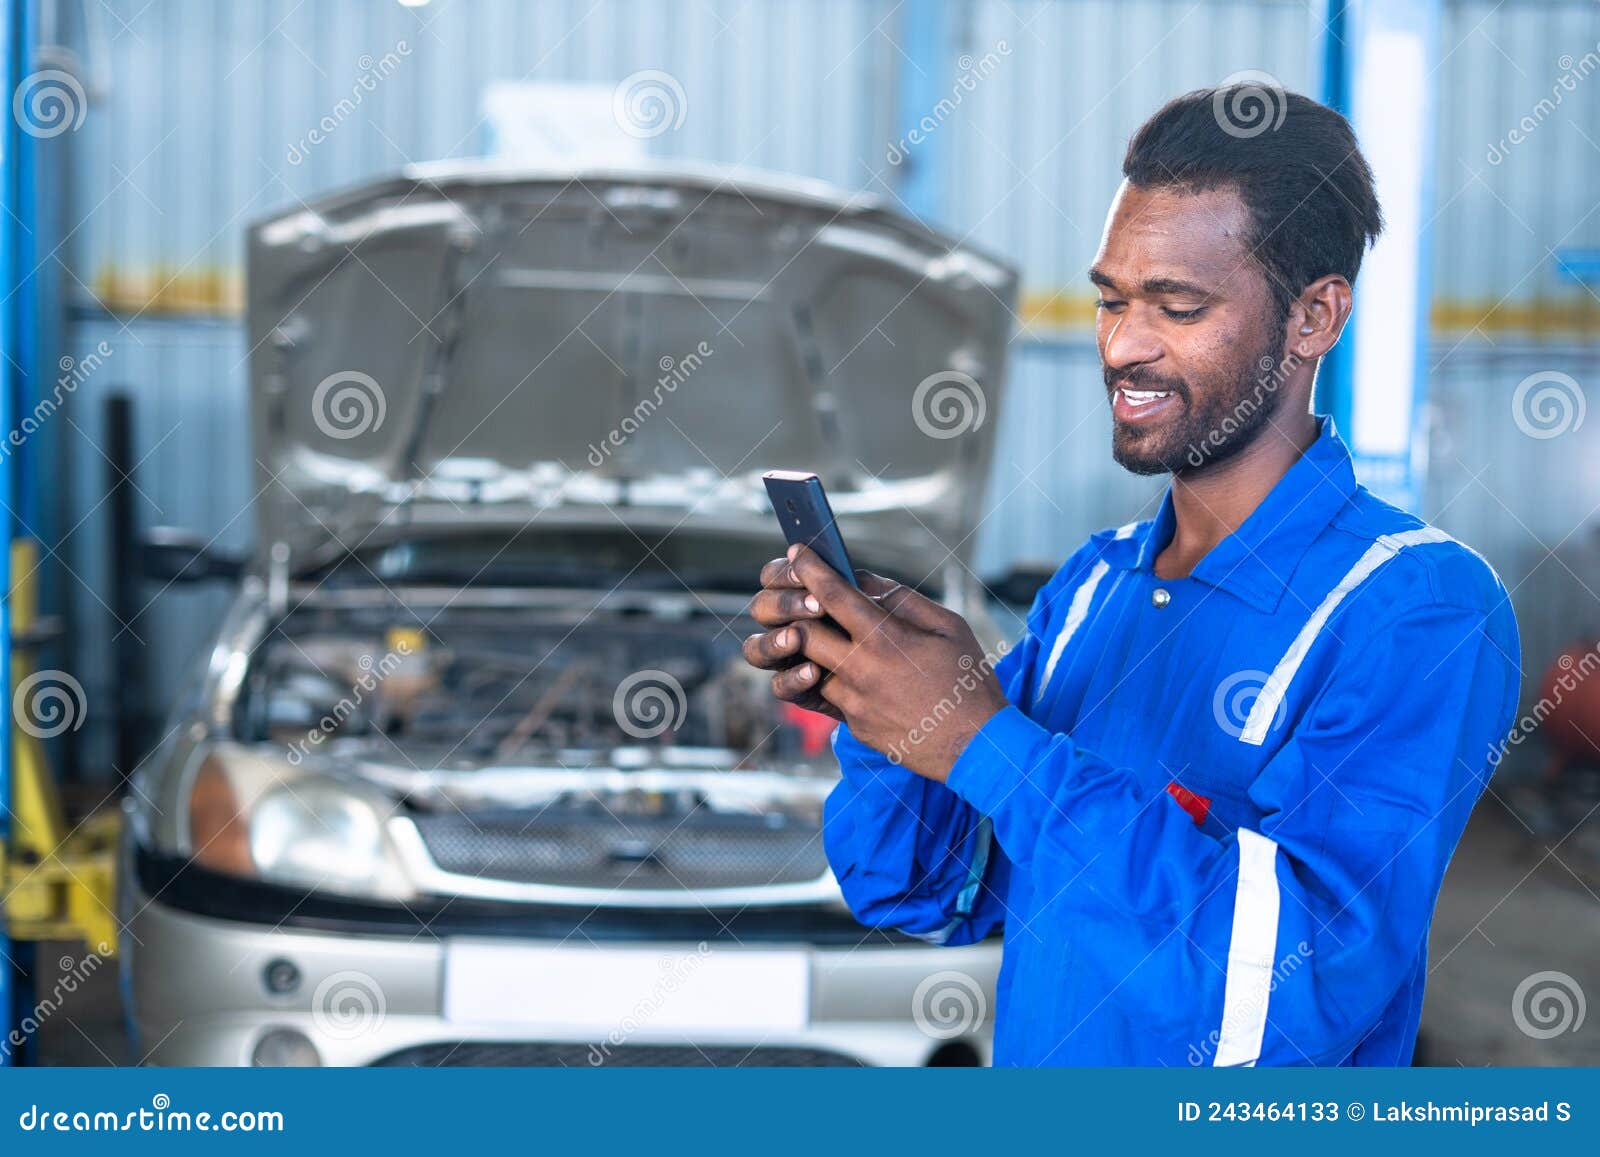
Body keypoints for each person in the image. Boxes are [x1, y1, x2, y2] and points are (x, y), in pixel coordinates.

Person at [742, 86, 1521, 1066]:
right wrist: (885, 710)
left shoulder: (1417, 608)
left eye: (1177, 306)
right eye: (1111, 298)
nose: (1123, 345)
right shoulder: (1092, 588)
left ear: (1314, 317)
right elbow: (926, 890)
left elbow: (1289, 994)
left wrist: (984, 739)